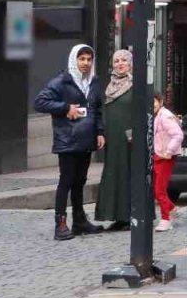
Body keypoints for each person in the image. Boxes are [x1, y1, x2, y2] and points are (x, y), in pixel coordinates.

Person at [33, 44, 106, 240]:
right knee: (66, 181)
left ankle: (80, 221)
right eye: (81, 59)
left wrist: (99, 131)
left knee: (80, 182)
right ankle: (61, 224)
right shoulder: (62, 81)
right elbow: (40, 102)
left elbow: (96, 108)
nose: (85, 63)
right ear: (74, 60)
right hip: (67, 139)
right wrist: (65, 107)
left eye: (89, 59)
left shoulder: (93, 81)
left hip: (86, 139)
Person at [95, 48, 134, 230]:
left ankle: (129, 216)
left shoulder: (137, 85)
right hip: (112, 139)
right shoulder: (108, 86)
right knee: (113, 174)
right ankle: (114, 215)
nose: (120, 64)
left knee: (128, 175)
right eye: (116, 60)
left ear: (130, 64)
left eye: (124, 60)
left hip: (129, 140)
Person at [152, 92, 184, 232]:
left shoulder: (164, 116)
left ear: (160, 102)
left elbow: (178, 135)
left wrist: (168, 152)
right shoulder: (157, 116)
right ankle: (172, 209)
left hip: (164, 156)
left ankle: (166, 219)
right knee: (156, 189)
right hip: (159, 155)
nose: (151, 105)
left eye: (153, 102)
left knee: (159, 190)